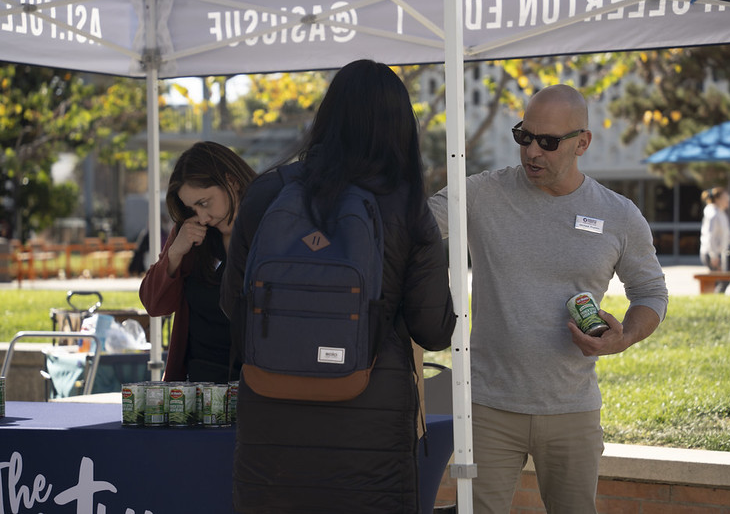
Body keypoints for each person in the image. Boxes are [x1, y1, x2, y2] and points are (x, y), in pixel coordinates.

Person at [220, 59, 457, 513]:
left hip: (271, 422)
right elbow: (433, 329)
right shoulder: (405, 204)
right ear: (399, 126)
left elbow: (234, 303)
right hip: (370, 427)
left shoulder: (267, 192)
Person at [427, 84, 669, 513]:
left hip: (571, 409)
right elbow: (413, 226)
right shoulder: (483, 194)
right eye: (525, 136)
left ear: (583, 143)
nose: (532, 152)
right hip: (487, 405)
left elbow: (650, 292)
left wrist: (624, 337)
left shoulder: (619, 215)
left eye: (548, 142)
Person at [140, 141, 256, 383]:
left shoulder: (273, 227)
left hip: (259, 387)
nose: (202, 216)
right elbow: (154, 305)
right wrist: (174, 255)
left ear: (232, 181)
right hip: (199, 389)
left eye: (204, 203)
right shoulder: (190, 234)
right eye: (192, 208)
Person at [699, 186, 730, 292]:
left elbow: (727, 235)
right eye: (726, 198)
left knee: (722, 281)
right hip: (713, 254)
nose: (728, 200)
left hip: (719, 253)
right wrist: (713, 255)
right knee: (720, 282)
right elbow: (710, 235)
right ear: (718, 199)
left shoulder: (720, 213)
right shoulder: (713, 213)